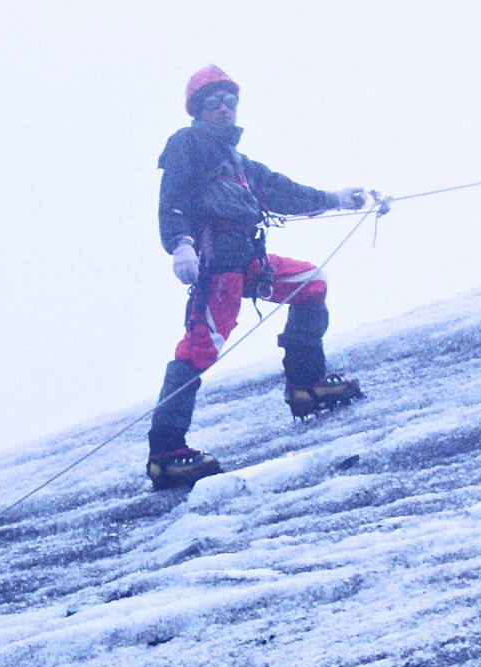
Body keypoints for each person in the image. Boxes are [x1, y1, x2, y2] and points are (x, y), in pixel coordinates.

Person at [147, 65, 368, 491]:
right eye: (213, 101)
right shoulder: (186, 145)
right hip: (218, 270)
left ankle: (307, 385)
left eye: (230, 100)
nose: (224, 108)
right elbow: (172, 199)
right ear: (197, 109)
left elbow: (285, 191)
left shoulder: (239, 163)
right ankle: (165, 453)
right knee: (198, 352)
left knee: (311, 283)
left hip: (250, 263)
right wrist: (180, 244)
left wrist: (337, 199)